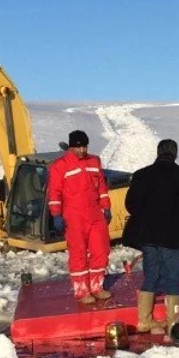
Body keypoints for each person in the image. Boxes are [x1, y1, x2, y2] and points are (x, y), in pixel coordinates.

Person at [122, 139, 179, 334]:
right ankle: (172, 323)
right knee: (173, 278)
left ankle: (144, 321)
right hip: (171, 235)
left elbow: (131, 204)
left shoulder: (141, 174)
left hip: (147, 235)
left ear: (158, 153)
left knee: (151, 275)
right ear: (175, 154)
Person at [48, 130, 113, 304]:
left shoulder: (94, 161)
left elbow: (101, 188)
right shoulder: (59, 166)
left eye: (84, 146)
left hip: (95, 214)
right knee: (78, 253)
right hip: (74, 216)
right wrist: (56, 215)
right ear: (71, 147)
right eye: (78, 147)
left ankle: (97, 287)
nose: (82, 150)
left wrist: (106, 208)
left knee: (101, 249)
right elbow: (55, 193)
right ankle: (82, 291)